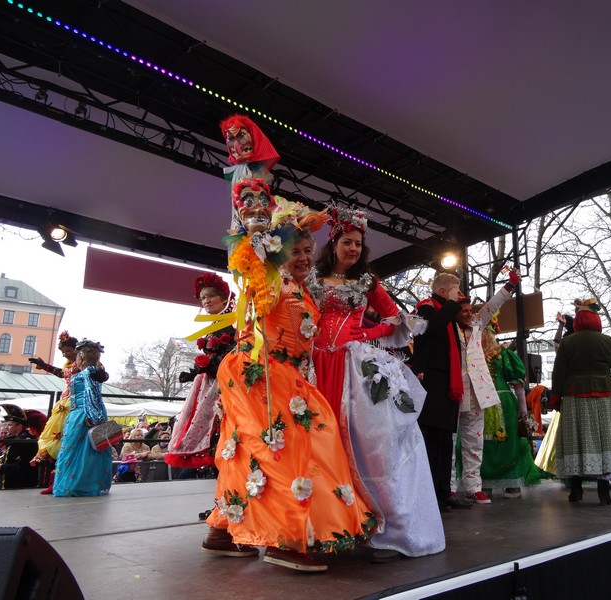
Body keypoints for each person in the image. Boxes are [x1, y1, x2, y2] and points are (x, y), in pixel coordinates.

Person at [203, 177, 374, 572]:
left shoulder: (299, 288)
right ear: (278, 251)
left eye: (308, 250)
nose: (304, 257)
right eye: (295, 249)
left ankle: (224, 532)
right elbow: (249, 262)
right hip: (257, 368)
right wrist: (257, 226)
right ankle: (286, 538)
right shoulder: (268, 279)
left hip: (279, 371)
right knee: (287, 446)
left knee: (256, 450)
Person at [309, 204, 444, 561]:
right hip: (316, 365)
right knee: (318, 444)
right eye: (348, 242)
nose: (353, 249)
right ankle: (323, 524)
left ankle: (387, 525)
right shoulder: (311, 279)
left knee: (370, 446)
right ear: (334, 242)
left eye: (358, 244)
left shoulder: (368, 282)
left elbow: (395, 320)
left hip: (351, 365)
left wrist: (366, 333)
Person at [549, 298, 611, 505]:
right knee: (604, 440)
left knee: (577, 440)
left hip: (575, 395)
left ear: (577, 322)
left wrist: (555, 398)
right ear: (596, 321)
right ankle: (603, 491)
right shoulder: (607, 341)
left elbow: (558, 373)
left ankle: (576, 489)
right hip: (606, 394)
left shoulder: (568, 342)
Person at [451, 271, 520, 504]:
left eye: (471, 310)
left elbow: (492, 305)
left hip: (477, 393)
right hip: (452, 391)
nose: (470, 314)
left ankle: (474, 487)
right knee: (450, 443)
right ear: (455, 313)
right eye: (465, 311)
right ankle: (449, 487)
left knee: (474, 442)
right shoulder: (447, 330)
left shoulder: (477, 326)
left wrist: (509, 285)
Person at [412, 272, 473, 512]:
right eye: (455, 291)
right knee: (430, 441)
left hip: (448, 385)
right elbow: (430, 331)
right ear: (442, 292)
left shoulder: (450, 316)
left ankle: (444, 492)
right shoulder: (425, 309)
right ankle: (429, 495)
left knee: (446, 441)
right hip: (430, 383)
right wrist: (450, 306)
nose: (459, 296)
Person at [166, 273, 236, 473]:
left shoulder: (233, 324)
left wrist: (209, 366)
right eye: (203, 298)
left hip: (225, 387)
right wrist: (194, 372)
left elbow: (232, 358)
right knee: (214, 438)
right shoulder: (215, 326)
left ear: (224, 299)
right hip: (209, 386)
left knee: (221, 435)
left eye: (211, 296)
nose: (206, 301)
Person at [479, 326, 541, 498]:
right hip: (482, 402)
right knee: (485, 444)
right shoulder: (473, 355)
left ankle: (511, 484)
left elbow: (519, 386)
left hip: (501, 404)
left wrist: (522, 410)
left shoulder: (504, 354)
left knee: (507, 443)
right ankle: (486, 484)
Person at [53, 340, 113, 496]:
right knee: (85, 451)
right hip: (80, 413)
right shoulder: (90, 371)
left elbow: (92, 395)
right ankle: (84, 484)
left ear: (81, 357)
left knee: (83, 451)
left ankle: (79, 486)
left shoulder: (89, 372)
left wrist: (93, 417)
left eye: (77, 355)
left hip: (83, 414)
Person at [28, 331, 82, 494]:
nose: (65, 355)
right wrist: (44, 366)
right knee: (54, 440)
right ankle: (56, 481)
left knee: (67, 440)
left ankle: (63, 481)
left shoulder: (84, 365)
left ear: (76, 350)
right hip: (64, 403)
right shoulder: (71, 366)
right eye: (63, 352)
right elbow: (62, 373)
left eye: (68, 351)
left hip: (76, 404)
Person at [0, 404, 46, 489]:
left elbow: (29, 466)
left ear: (19, 426)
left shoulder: (25, 442)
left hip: (20, 487)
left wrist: (2, 468)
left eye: (10, 425)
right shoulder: (16, 440)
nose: (7, 428)